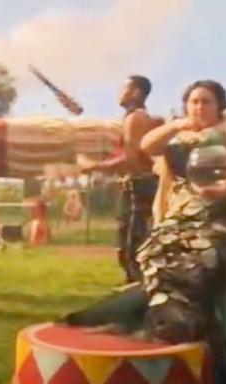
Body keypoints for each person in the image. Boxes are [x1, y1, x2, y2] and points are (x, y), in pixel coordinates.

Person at [65, 81, 226, 384]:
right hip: (178, 221)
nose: (199, 108)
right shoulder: (178, 139)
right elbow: (149, 150)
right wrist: (180, 125)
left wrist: (224, 189)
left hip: (217, 221)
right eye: (193, 102)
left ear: (219, 106)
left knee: (194, 267)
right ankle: (159, 324)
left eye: (206, 102)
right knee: (157, 262)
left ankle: (181, 334)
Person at [83, 76, 163, 283]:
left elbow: (130, 159)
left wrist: (93, 166)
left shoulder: (135, 118)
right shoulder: (136, 117)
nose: (119, 92)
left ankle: (139, 292)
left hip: (139, 186)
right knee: (133, 245)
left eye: (124, 88)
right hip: (140, 185)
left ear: (136, 92)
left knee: (132, 247)